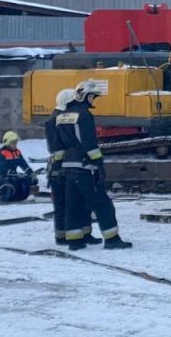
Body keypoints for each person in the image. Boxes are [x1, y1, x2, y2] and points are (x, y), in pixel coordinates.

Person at [55, 80, 132, 251]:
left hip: (68, 168)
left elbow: (59, 145)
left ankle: (75, 241)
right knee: (102, 204)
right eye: (93, 97)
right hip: (85, 168)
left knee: (73, 205)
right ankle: (112, 239)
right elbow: (88, 143)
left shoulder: (61, 117)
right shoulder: (84, 115)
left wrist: (58, 166)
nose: (93, 100)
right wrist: (98, 164)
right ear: (86, 96)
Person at [45, 88, 101, 246]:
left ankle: (82, 234)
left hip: (66, 166)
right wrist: (59, 167)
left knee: (77, 203)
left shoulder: (62, 116)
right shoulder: (54, 119)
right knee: (65, 204)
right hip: (62, 169)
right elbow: (56, 148)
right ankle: (63, 236)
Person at [0, 131, 35, 202]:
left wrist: (30, 172)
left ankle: (22, 197)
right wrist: (9, 171)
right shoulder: (0, 153)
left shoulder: (17, 152)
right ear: (7, 143)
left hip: (14, 175)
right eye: (13, 143)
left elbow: (23, 163)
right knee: (10, 186)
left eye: (15, 142)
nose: (15, 145)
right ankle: (5, 197)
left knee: (25, 182)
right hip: (3, 176)